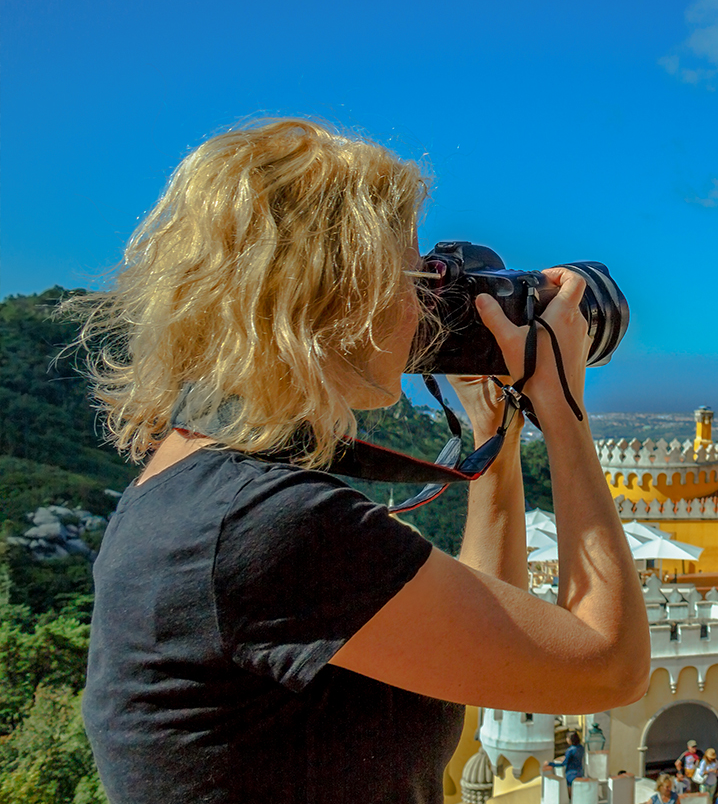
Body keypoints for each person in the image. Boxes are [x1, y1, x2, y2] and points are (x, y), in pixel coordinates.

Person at [73, 119, 652, 803]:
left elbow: (484, 639)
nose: (425, 309)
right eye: (413, 278)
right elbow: (604, 668)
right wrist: (563, 410)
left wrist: (493, 428)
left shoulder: (194, 486)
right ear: (338, 296)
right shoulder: (265, 526)